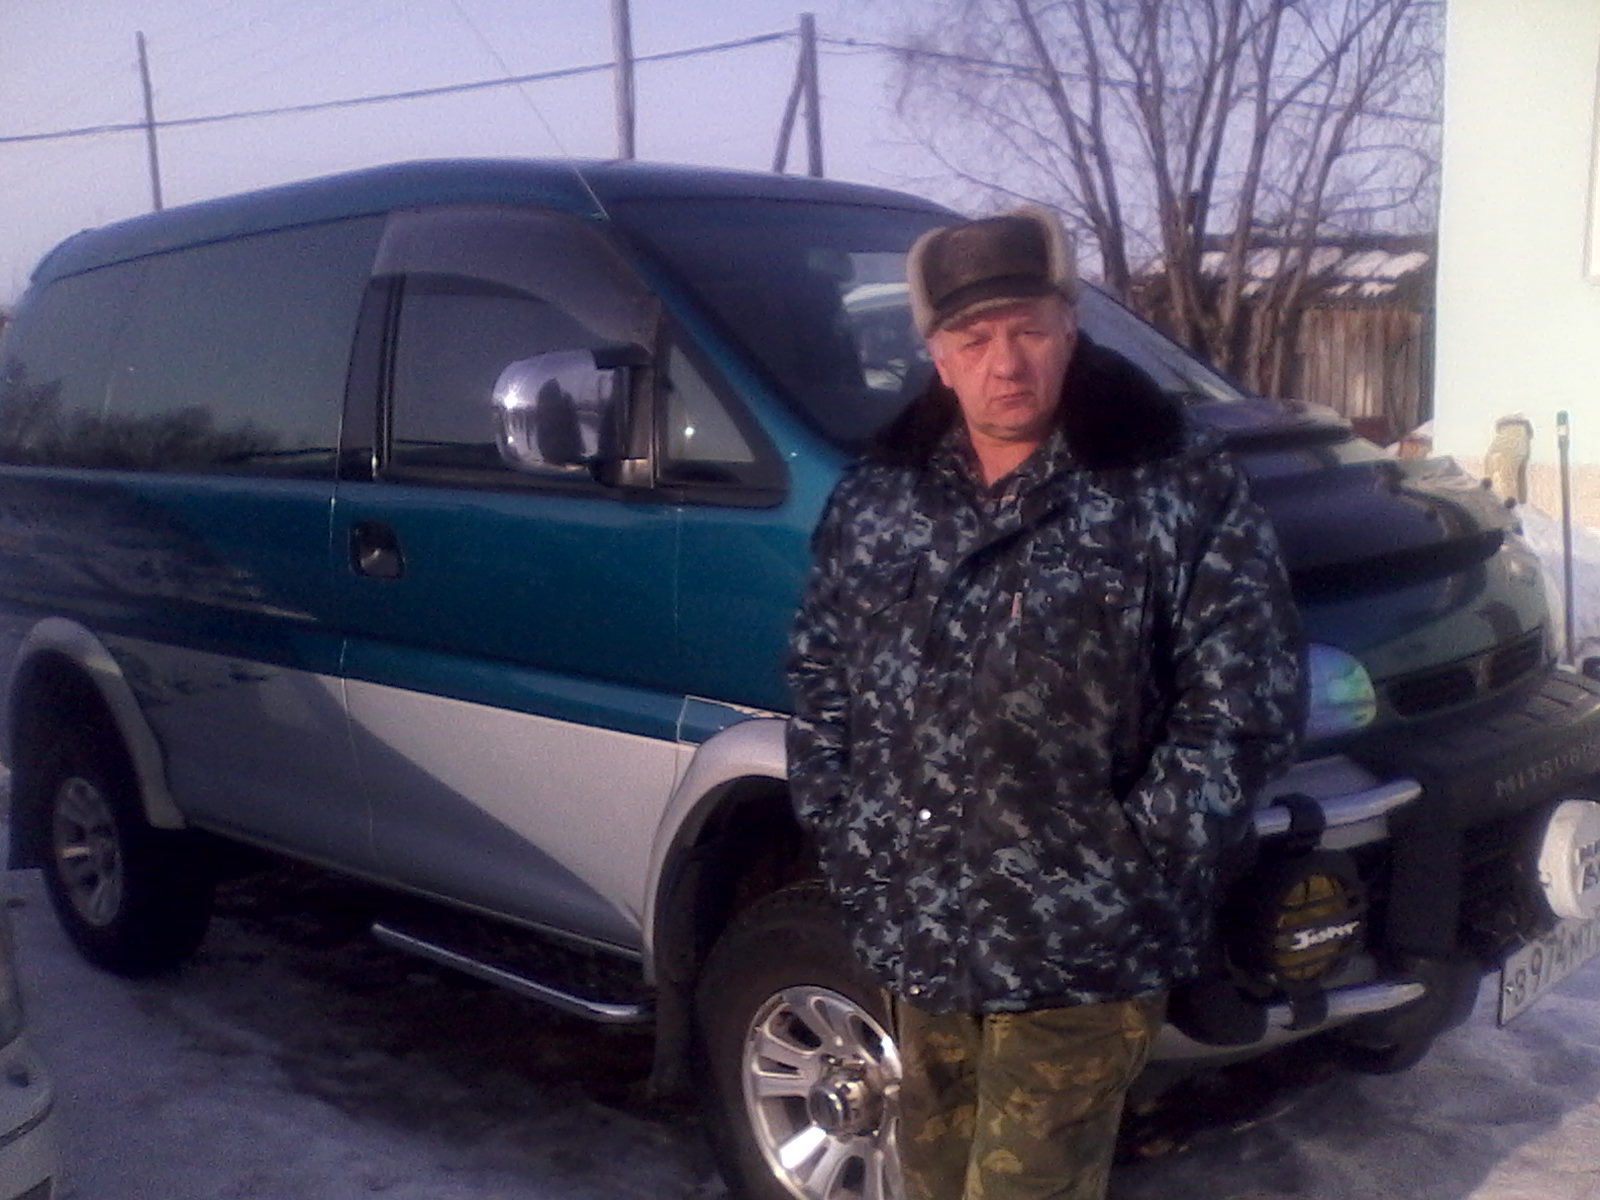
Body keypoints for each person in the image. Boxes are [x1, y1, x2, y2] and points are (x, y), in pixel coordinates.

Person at [786, 207, 1304, 1200]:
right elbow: (820, 669)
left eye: (1027, 328)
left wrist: (1132, 862)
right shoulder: (883, 494)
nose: (1006, 362)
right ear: (937, 357)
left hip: (1081, 949)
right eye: (973, 339)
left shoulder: (1169, 484)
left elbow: (1245, 699)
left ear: (1069, 327)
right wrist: (846, 826)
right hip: (920, 928)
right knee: (931, 1177)